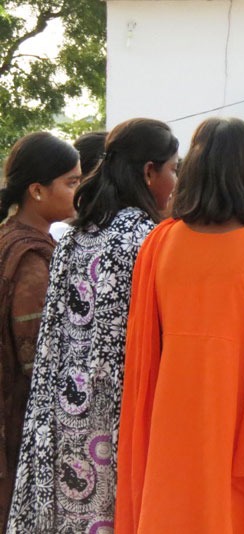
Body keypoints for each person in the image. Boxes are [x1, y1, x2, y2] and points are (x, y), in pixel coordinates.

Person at [114, 117, 244, 533]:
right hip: (240, 418)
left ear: (193, 168)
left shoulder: (160, 242)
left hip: (169, 412)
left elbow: (144, 352)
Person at [6, 119, 178, 533]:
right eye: (173, 169)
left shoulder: (73, 236)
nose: (175, 181)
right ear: (149, 172)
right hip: (118, 417)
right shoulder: (150, 240)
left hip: (63, 410)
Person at [0, 132, 80, 528]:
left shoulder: (15, 239)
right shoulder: (31, 259)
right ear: (36, 190)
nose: (78, 192)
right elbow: (35, 364)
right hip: (19, 417)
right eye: (71, 182)